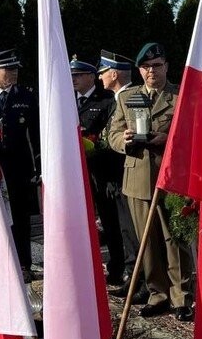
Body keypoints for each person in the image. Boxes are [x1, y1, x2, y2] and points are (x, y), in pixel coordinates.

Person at [107, 42, 194, 322]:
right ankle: (158, 294)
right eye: (146, 67)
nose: (151, 71)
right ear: (139, 70)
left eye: (156, 66)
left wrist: (166, 141)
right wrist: (126, 140)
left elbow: (193, 136)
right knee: (148, 241)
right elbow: (113, 134)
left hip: (171, 180)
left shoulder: (182, 96)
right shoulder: (127, 97)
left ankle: (182, 296)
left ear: (167, 66)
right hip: (137, 178)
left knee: (174, 239)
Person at [0, 48, 40, 277]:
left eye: (16, 69)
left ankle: (24, 264)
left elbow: (36, 135)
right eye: (8, 69)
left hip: (18, 167)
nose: (14, 73)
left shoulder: (26, 96)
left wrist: (38, 167)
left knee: (21, 216)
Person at [70, 55, 126, 286]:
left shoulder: (106, 100)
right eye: (71, 75)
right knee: (79, 223)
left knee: (110, 222)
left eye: (78, 76)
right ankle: (82, 269)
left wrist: (90, 144)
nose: (73, 80)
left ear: (91, 76)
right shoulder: (65, 100)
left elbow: (109, 136)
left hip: (101, 171)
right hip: (74, 174)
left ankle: (117, 267)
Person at [97, 50, 145, 299]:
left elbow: (138, 137)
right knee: (124, 230)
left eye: (103, 72)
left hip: (129, 175)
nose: (100, 77)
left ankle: (140, 281)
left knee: (133, 231)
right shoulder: (116, 98)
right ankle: (133, 278)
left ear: (114, 74)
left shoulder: (132, 97)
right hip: (117, 177)